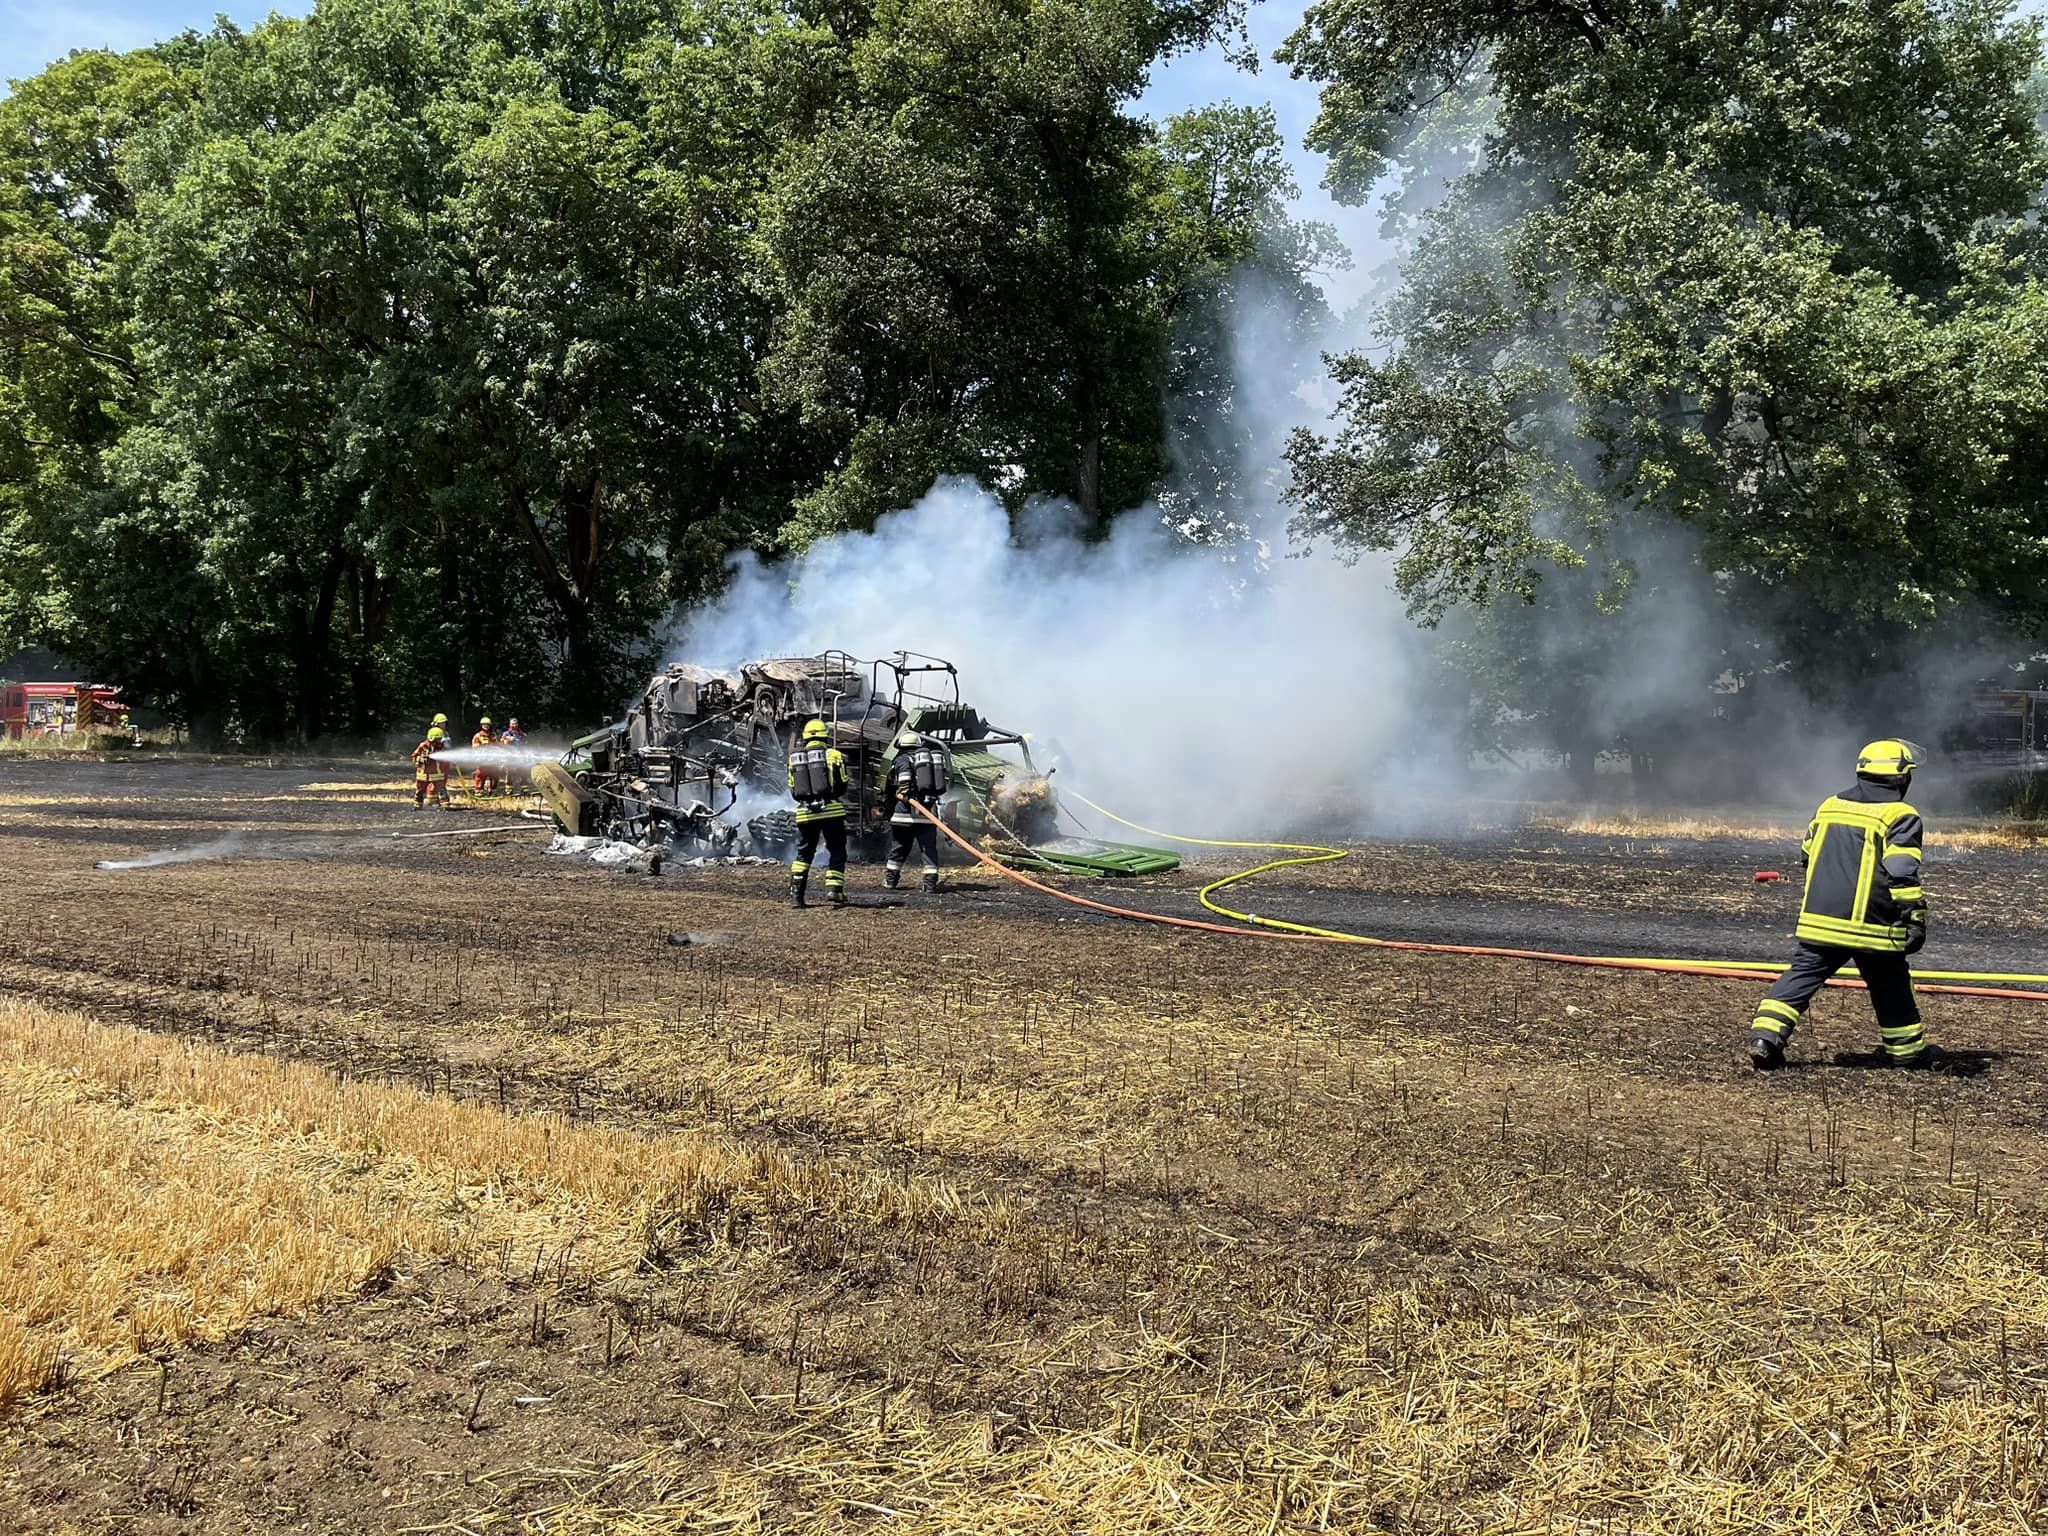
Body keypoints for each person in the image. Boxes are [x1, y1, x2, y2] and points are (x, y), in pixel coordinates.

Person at [1748, 739, 1933, 1071]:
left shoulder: (1829, 805)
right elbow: (1902, 870)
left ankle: (1765, 1038)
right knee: (1891, 984)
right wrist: (1914, 914)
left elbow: (1807, 854)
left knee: (1801, 976)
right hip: (1872, 925)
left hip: (1820, 919)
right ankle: (1907, 1053)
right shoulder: (1901, 814)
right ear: (1901, 777)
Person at [787, 718, 849, 908]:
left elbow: (793, 790)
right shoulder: (834, 755)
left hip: (805, 814)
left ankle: (797, 897)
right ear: (825, 736)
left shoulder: (794, 758)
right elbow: (841, 784)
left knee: (804, 853)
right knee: (837, 850)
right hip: (831, 811)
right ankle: (834, 891)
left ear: (805, 737)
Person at [882, 728, 948, 894]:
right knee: (929, 849)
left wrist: (902, 795)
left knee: (899, 848)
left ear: (902, 746)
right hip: (926, 815)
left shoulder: (901, 759)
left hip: (904, 815)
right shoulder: (929, 761)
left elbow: (901, 782)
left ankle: (890, 881)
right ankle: (930, 884)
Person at [412, 725, 454, 811]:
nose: (440, 740)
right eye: (438, 739)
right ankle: (417, 806)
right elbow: (414, 756)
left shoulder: (441, 747)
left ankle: (445, 806)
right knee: (420, 790)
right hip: (423, 774)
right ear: (432, 738)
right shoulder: (423, 746)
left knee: (441, 789)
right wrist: (421, 759)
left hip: (436, 773)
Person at [471, 716, 499, 794]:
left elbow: (496, 745)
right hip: (482, 760)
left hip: (492, 759)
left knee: (494, 775)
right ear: (481, 726)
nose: (486, 726)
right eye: (484, 724)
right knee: (480, 775)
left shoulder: (493, 735)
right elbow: (475, 747)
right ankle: (479, 791)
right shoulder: (478, 736)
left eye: (487, 724)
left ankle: (492, 791)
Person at [500, 717, 529, 788]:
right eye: (512, 724)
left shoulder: (522, 734)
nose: (514, 725)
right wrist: (507, 740)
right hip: (510, 756)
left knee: (523, 770)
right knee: (509, 772)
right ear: (510, 724)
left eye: (515, 724)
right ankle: (509, 789)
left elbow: (526, 743)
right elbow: (501, 742)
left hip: (520, 755)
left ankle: (524, 788)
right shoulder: (506, 734)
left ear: (518, 724)